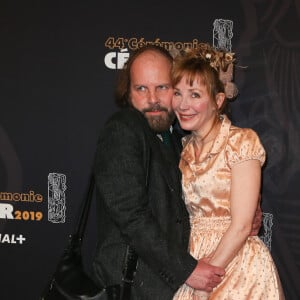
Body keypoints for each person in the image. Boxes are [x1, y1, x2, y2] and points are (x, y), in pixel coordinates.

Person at [92, 45, 262, 299]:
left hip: (190, 279)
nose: (153, 99)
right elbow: (131, 217)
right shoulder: (123, 129)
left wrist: (243, 209)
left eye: (162, 87)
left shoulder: (175, 141)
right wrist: (187, 270)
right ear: (127, 94)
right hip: (136, 286)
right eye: (141, 89)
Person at [171, 43, 284, 299]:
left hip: (239, 266)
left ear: (218, 101)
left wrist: (205, 279)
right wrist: (194, 273)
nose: (183, 104)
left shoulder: (241, 142)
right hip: (193, 261)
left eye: (195, 95)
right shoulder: (182, 150)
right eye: (177, 93)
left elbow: (243, 225)